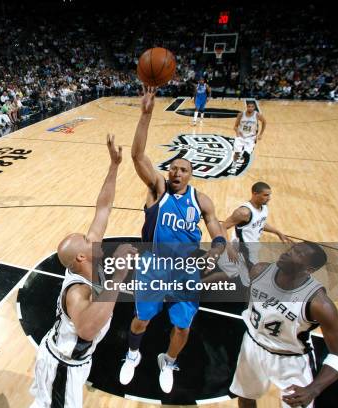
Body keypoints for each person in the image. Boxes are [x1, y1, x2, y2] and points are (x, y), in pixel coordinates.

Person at [119, 86, 226, 393]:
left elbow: (218, 231)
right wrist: (146, 114)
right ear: (168, 172)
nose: (177, 172)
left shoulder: (201, 200)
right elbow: (138, 155)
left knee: (183, 326)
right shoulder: (158, 190)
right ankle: (133, 354)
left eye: (184, 169)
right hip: (154, 265)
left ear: (192, 174)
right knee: (141, 320)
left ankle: (167, 360)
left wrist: (216, 251)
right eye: (174, 168)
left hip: (186, 271)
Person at [30, 134, 137, 408]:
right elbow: (88, 328)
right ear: (80, 256)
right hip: (63, 365)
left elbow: (103, 208)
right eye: (86, 239)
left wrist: (114, 165)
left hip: (71, 360)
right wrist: (119, 275)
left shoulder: (92, 255)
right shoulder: (77, 292)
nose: (94, 237)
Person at [230, 242, 338, 408]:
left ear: (309, 269)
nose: (287, 253)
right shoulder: (259, 271)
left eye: (298, 254)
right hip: (252, 346)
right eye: (291, 249)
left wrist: (313, 389)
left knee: (297, 405)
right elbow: (250, 304)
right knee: (245, 397)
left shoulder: (319, 304)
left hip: (291, 358)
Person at [205, 181, 292, 286]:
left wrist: (278, 232)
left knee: (230, 274)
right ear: (255, 194)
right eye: (265, 195)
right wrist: (229, 248)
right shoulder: (243, 212)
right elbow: (223, 227)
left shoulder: (264, 208)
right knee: (252, 279)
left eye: (269, 195)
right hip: (242, 250)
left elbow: (260, 223)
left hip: (251, 248)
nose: (269, 198)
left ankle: (200, 282)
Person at [231, 101, 266, 172]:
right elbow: (235, 126)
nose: (250, 108)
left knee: (246, 154)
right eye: (249, 106)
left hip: (251, 137)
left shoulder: (257, 115)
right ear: (246, 107)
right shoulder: (241, 114)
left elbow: (264, 122)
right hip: (241, 136)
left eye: (252, 107)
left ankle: (243, 153)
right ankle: (234, 164)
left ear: (254, 107)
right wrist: (237, 132)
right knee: (237, 152)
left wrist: (261, 134)